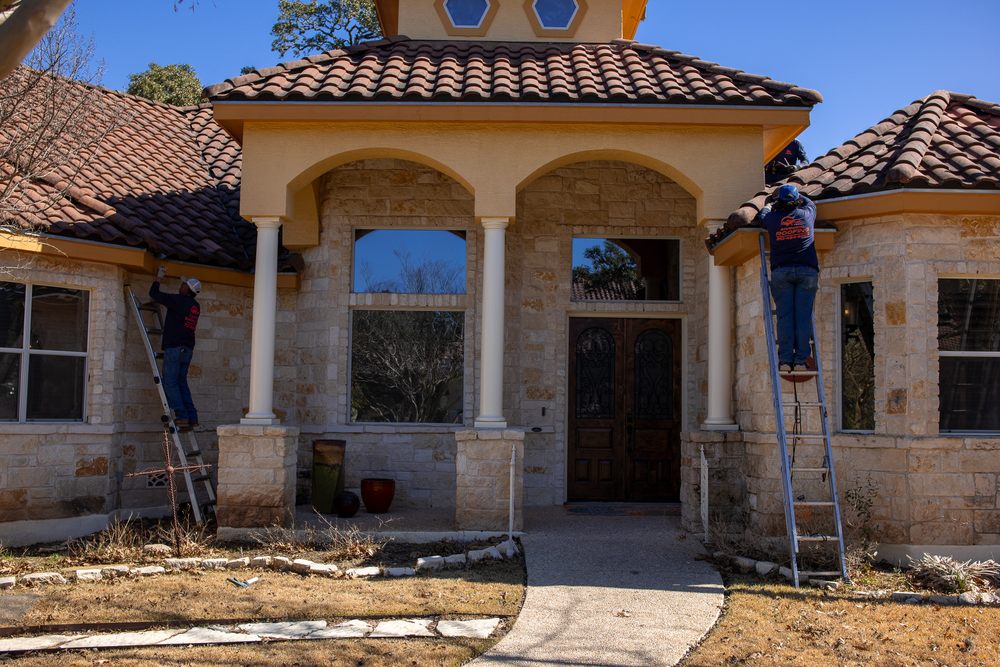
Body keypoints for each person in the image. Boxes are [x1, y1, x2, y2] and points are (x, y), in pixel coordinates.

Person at [757, 184, 818, 373]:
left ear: (780, 203)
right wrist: (800, 194)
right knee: (803, 317)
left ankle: (784, 360)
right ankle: (800, 361)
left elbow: (762, 215)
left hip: (782, 272)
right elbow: (809, 202)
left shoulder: (773, 219)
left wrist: (770, 201)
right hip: (807, 272)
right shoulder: (807, 214)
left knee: (784, 317)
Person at [149, 267, 201, 430]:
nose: (181, 287)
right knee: (181, 382)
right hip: (187, 348)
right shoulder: (195, 305)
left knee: (170, 382)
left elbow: (154, 294)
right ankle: (191, 416)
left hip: (175, 347)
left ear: (187, 289)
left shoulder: (178, 301)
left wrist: (158, 278)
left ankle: (182, 415)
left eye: (183, 285)